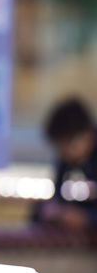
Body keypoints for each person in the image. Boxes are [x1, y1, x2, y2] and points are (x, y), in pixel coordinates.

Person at [33, 97, 97, 230]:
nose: (64, 153)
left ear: (87, 134)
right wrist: (47, 210)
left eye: (67, 145)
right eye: (59, 147)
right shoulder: (66, 162)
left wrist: (88, 218)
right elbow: (56, 199)